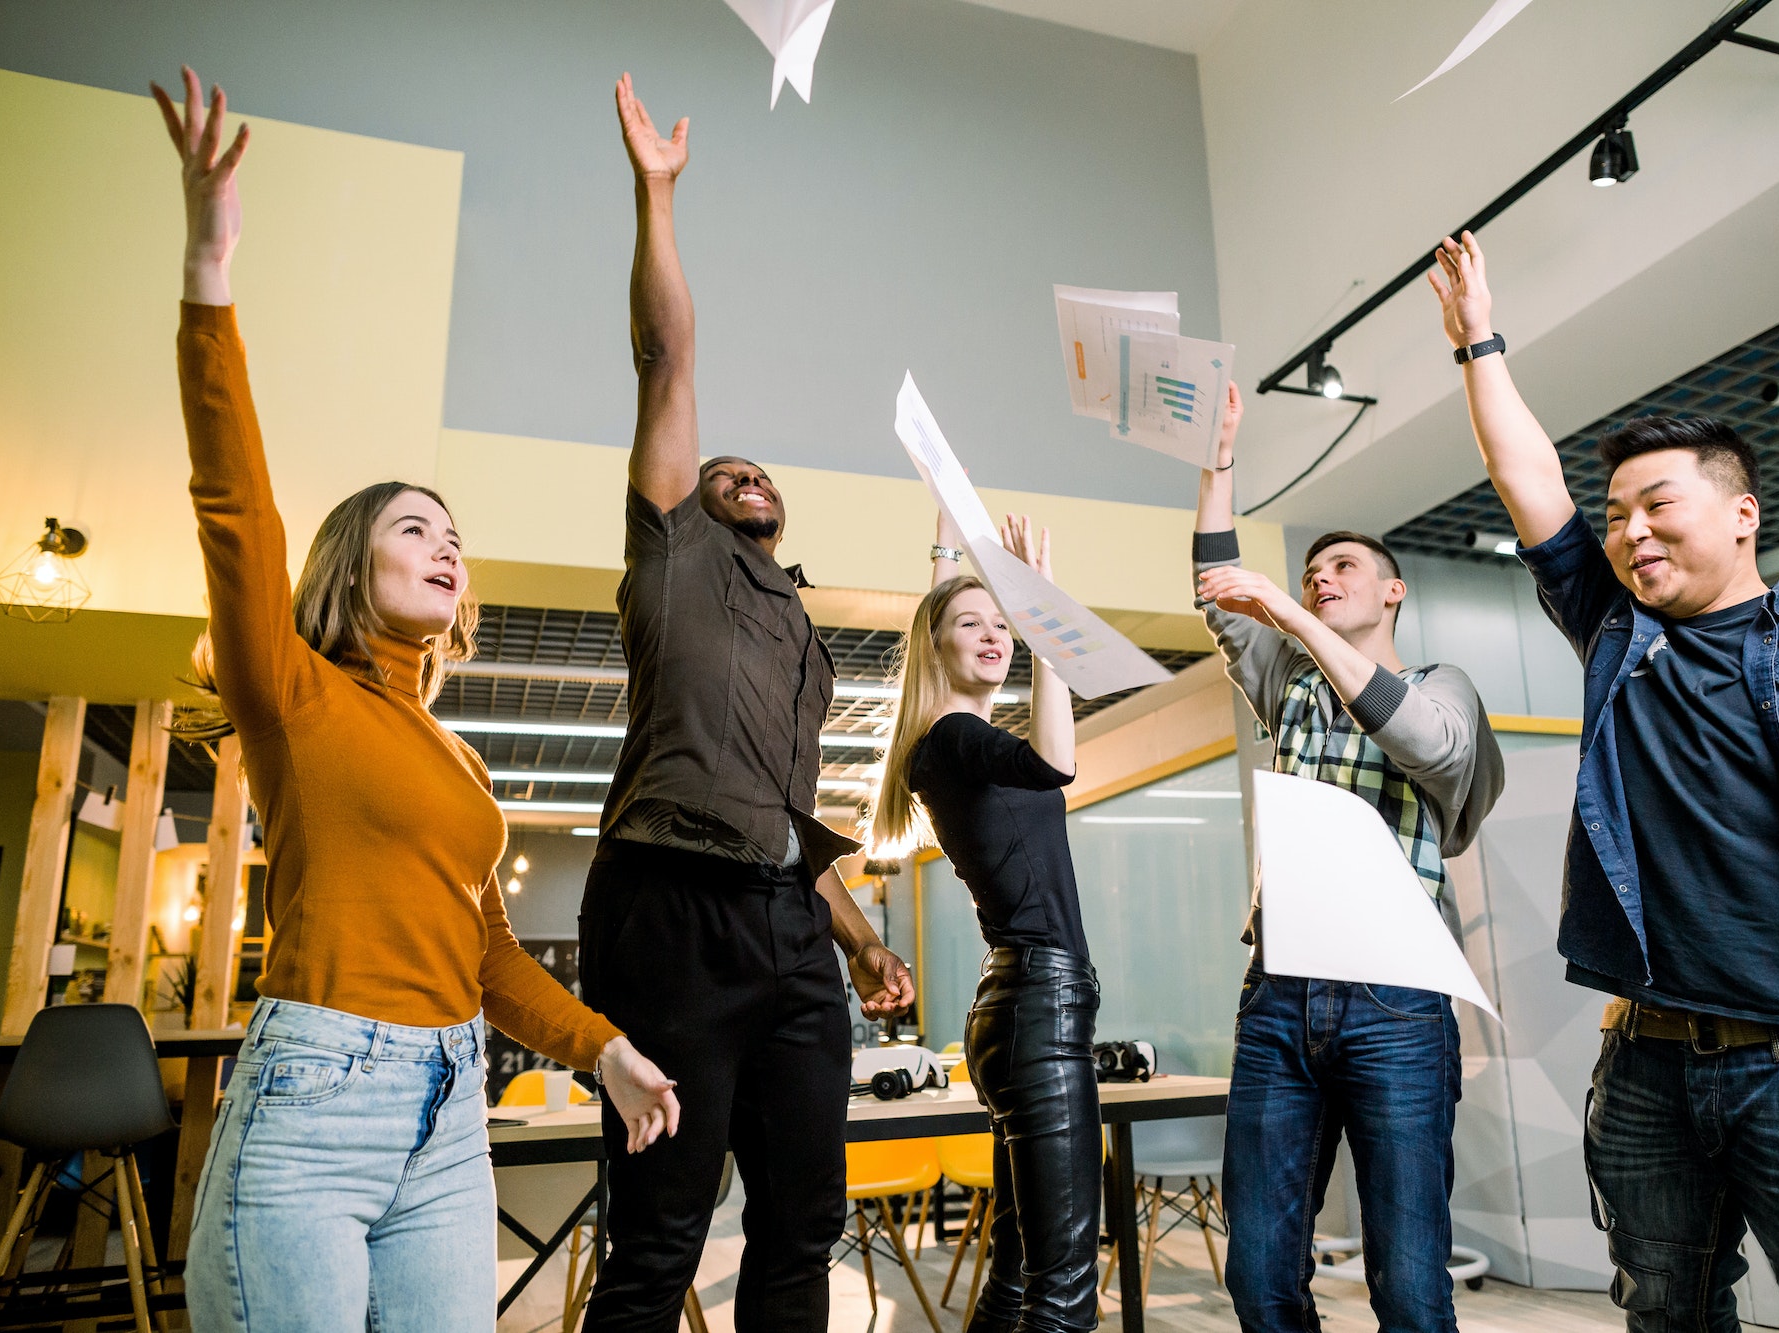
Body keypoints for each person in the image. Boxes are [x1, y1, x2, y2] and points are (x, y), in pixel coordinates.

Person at [153, 69, 679, 1333]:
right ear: (354, 559)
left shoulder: (452, 758)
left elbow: (486, 954)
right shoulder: (293, 695)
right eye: (413, 526)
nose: (446, 545)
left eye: (454, 534)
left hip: (449, 1106)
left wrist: (600, 1046)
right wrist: (209, 270)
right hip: (314, 1102)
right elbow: (237, 510)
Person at [1430, 228, 1779, 1331]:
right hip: (1641, 1064)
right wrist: (1476, 342)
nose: (1628, 531)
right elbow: (1527, 478)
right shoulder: (1613, 636)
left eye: (1656, 505)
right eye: (1618, 510)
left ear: (1741, 513)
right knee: (1663, 1315)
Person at [576, 74, 916, 1333]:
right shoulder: (673, 557)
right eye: (720, 470)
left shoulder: (799, 631)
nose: (738, 471)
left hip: (788, 927)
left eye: (755, 470)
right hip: (671, 909)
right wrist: (654, 199)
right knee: (662, 1233)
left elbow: (793, 817)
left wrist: (861, 935)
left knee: (802, 1226)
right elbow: (665, 357)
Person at [1192, 381, 1503, 1332]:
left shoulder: (1439, 684)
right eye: (1314, 570)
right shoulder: (1285, 678)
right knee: (1257, 1279)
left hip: (1396, 1003)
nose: (1324, 576)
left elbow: (1429, 745)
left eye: (1343, 566)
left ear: (1394, 588)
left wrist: (1292, 610)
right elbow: (1213, 588)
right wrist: (1221, 459)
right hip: (1279, 992)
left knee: (1409, 1288)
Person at [870, 511, 1102, 1333]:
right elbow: (1054, 763)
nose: (994, 634)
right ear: (936, 645)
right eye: (973, 625)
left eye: (1003, 624)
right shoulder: (960, 735)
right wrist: (1042, 622)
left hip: (1014, 1006)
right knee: (1066, 1289)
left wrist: (944, 530)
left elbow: (941, 615)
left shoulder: (940, 740)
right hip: (1040, 1003)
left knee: (1016, 1275)